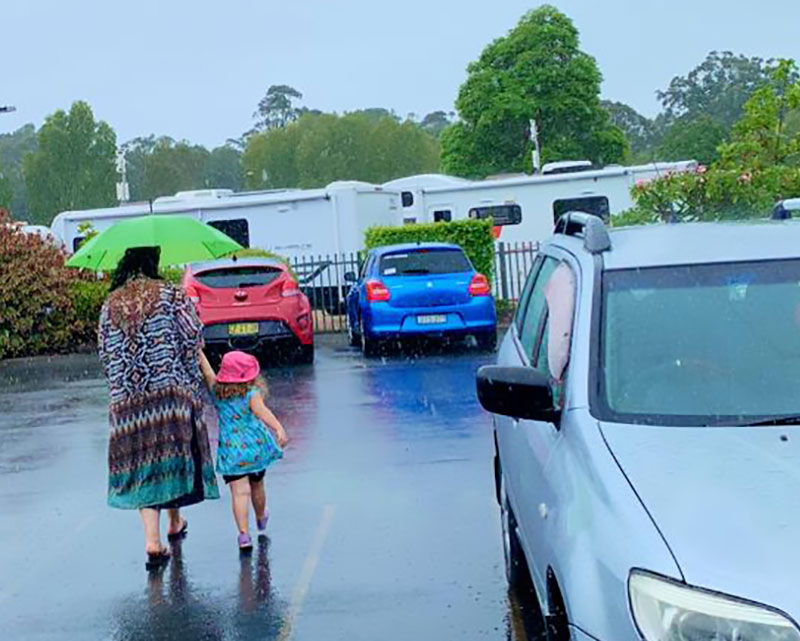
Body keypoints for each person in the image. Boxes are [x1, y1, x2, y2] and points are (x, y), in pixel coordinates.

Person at [97, 246, 220, 571]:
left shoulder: (111, 303)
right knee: (173, 457)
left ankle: (157, 538)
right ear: (153, 262)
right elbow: (193, 337)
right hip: (171, 396)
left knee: (143, 464)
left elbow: (104, 353)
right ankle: (171, 524)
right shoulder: (171, 294)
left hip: (127, 403)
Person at [199, 350, 288, 551]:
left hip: (232, 453)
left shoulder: (217, 392)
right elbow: (263, 413)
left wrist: (199, 351)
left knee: (239, 493)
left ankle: (243, 535)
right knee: (257, 486)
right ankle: (260, 516)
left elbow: (207, 372)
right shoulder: (251, 394)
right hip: (254, 450)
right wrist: (278, 428)